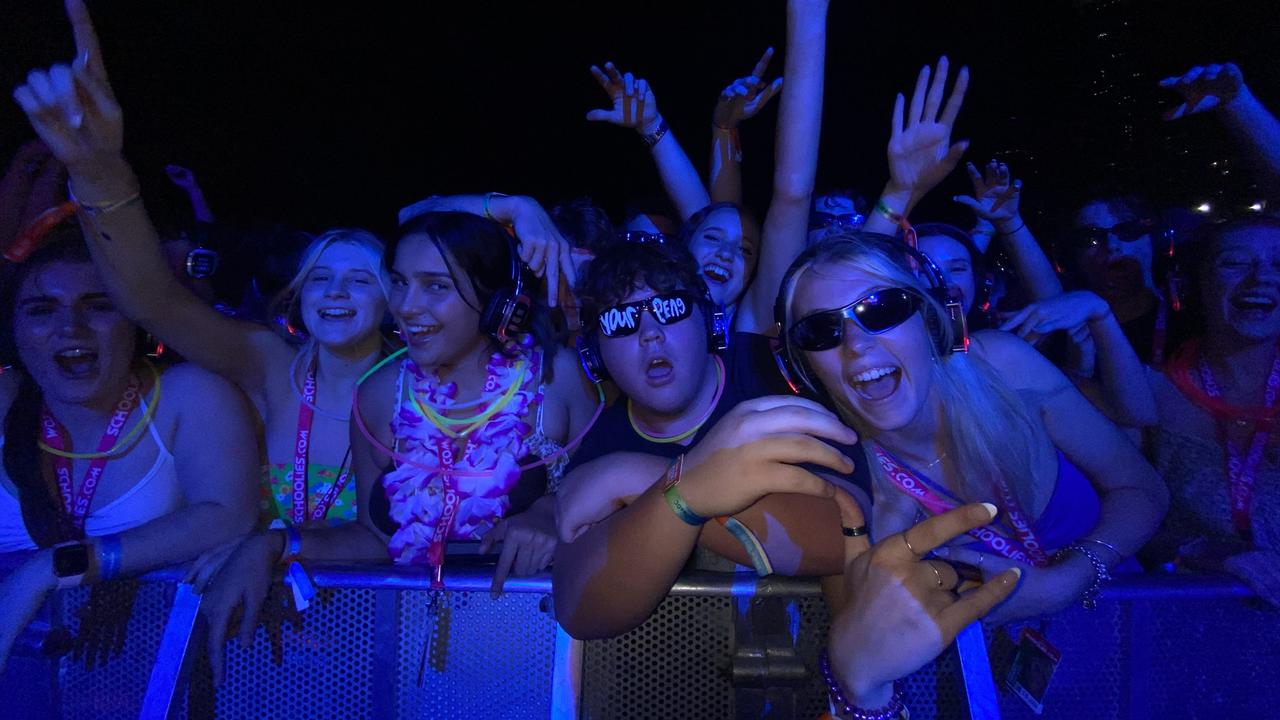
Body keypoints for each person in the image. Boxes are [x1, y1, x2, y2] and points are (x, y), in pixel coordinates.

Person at [777, 233, 1168, 624]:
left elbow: (1143, 488)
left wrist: (1063, 583)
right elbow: (863, 645)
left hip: (1132, 638)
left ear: (929, 319)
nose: (856, 344)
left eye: (881, 309)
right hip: (988, 679)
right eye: (820, 330)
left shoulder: (1003, 366)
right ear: (804, 369)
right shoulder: (843, 481)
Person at [0, 225, 257, 673]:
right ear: (14, 330)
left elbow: (226, 513)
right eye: (42, 310)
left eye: (98, 306)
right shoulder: (4, 401)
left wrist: (48, 569)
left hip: (142, 680)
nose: (70, 327)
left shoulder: (188, 394)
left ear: (136, 320)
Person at [1146, 217, 1280, 606]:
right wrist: (1211, 551)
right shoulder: (1149, 393)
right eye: (1235, 262)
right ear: (1199, 282)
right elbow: (1122, 516)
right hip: (1190, 629)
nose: (1261, 278)